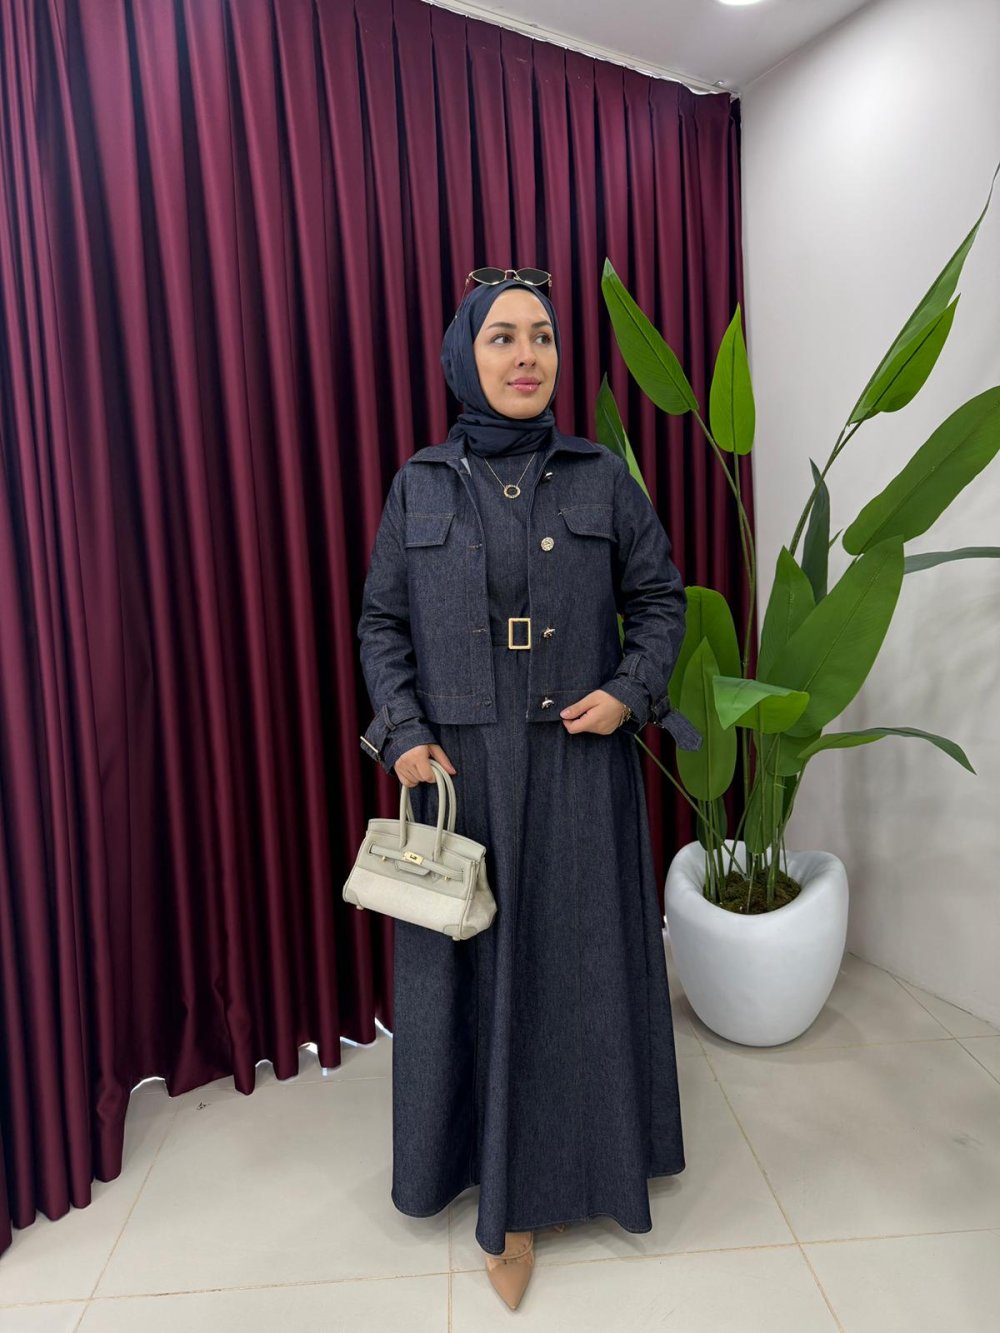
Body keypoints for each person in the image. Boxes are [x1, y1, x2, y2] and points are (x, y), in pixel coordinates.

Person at [356, 268, 701, 1310]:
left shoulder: (601, 477)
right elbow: (382, 623)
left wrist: (629, 691)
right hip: (462, 772)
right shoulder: (420, 485)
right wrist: (403, 734)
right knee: (473, 979)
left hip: (577, 762)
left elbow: (660, 598)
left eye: (542, 337)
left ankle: (584, 1172)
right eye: (502, 336)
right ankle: (492, 1191)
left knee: (575, 974)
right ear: (465, 356)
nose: (526, 356)